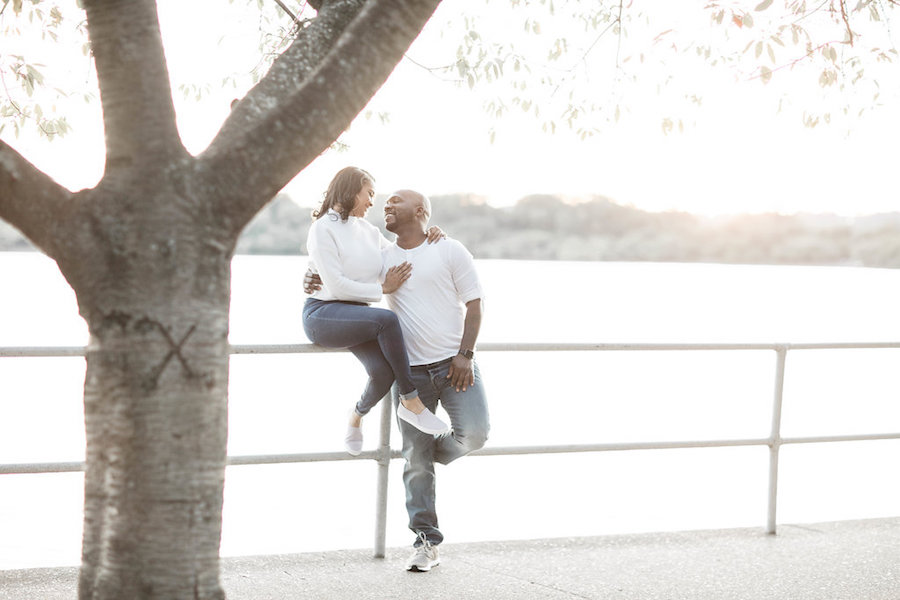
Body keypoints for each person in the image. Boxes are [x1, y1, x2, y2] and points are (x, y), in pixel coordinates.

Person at [306, 189, 489, 573]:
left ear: (421, 211)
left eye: (396, 201)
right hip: (409, 374)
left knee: (474, 435)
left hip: (455, 366)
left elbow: (475, 302)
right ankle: (426, 542)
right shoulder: (381, 257)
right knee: (417, 464)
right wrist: (312, 276)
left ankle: (418, 453)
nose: (386, 206)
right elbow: (341, 276)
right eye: (383, 202)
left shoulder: (449, 248)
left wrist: (465, 354)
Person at [302, 167, 448, 456]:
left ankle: (355, 416)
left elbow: (400, 254)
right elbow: (337, 286)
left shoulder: (368, 231)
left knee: (382, 373)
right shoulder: (322, 228)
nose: (372, 202)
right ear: (352, 190)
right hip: (322, 315)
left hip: (359, 318)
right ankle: (411, 401)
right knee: (387, 319)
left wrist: (430, 233)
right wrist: (383, 289)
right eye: (369, 193)